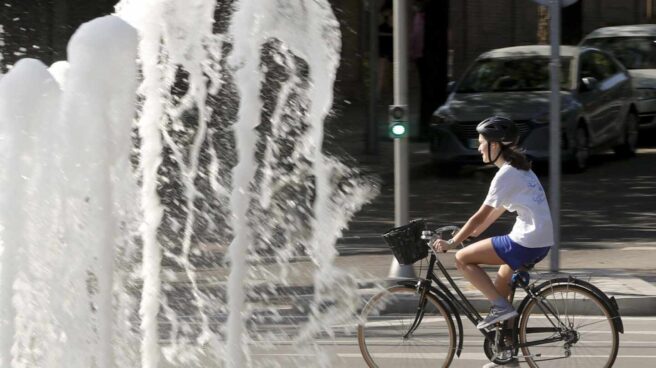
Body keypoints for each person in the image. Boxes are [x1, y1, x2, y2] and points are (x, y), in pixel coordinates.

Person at [432, 116, 554, 368]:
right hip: (539, 240)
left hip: (525, 241)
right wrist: (470, 234)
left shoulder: (506, 175)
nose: (478, 148)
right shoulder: (519, 169)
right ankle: (506, 357)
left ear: (496, 145)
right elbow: (491, 216)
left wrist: (453, 242)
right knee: (501, 287)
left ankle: (500, 308)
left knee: (462, 259)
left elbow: (480, 215)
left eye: (481, 142)